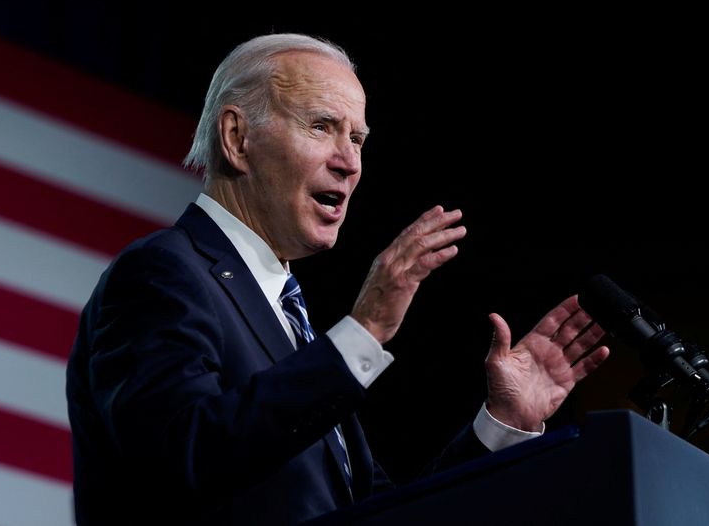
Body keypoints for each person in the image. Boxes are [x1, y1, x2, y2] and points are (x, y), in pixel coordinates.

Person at [66, 33, 610, 526]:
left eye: (358, 139)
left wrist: (501, 426)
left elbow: (382, 515)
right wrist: (365, 328)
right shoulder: (163, 273)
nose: (349, 162)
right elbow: (182, 457)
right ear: (236, 138)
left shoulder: (288, 322)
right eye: (322, 126)